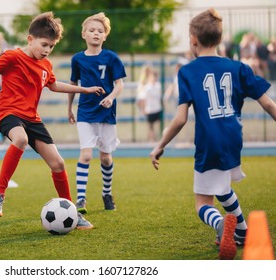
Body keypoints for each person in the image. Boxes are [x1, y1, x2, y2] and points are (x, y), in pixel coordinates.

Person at [0, 12, 105, 229]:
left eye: (51, 46)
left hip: (32, 119)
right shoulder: (12, 57)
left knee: (58, 163)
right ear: (30, 39)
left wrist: (84, 89)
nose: (47, 50)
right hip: (8, 113)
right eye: (44, 44)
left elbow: (53, 85)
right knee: (21, 139)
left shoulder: (46, 65)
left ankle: (71, 210)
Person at [149, 8, 276, 260]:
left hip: (209, 139)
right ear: (219, 38)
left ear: (193, 39)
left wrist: (160, 144)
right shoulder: (239, 67)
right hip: (233, 136)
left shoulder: (187, 71)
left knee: (203, 204)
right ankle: (242, 231)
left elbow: (181, 118)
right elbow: (269, 104)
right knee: (222, 186)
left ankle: (221, 225)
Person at [67, 12, 126, 213]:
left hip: (106, 114)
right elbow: (72, 85)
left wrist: (111, 97)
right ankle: (81, 199)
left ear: (105, 36)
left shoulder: (111, 58)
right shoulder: (77, 59)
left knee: (106, 158)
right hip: (85, 113)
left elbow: (119, 85)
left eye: (100, 31)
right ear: (84, 34)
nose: (96, 34)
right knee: (85, 155)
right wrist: (69, 108)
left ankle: (106, 193)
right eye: (92, 30)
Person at [136, 67, 162, 142]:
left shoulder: (158, 85)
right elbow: (143, 99)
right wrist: (143, 109)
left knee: (157, 126)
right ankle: (151, 140)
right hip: (150, 109)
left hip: (157, 108)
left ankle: (157, 140)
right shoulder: (147, 87)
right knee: (151, 127)